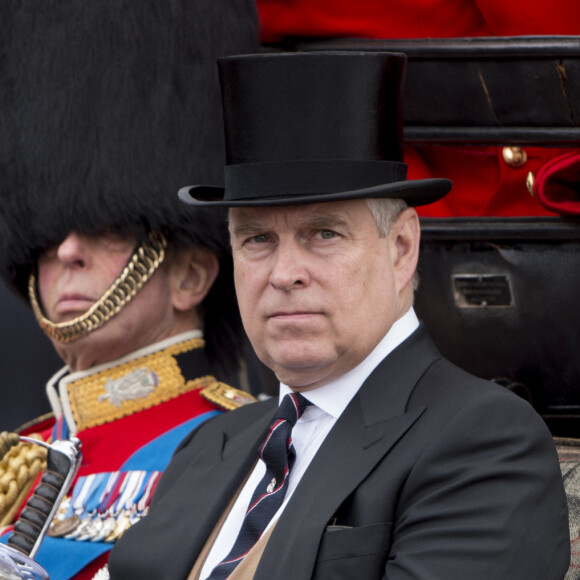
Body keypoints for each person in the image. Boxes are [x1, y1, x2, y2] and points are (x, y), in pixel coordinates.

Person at [108, 51, 570, 579]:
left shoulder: (483, 441)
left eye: (323, 234)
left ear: (400, 249)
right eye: (258, 239)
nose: (284, 273)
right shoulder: (211, 443)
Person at [0, 0, 260, 577]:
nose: (66, 251)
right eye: (46, 238)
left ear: (189, 276)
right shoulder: (21, 456)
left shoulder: (242, 444)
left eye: (109, 230)